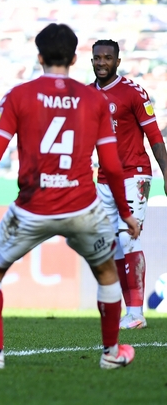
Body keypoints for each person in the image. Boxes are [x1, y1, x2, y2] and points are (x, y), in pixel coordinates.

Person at [0, 24, 140, 370]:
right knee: (106, 274)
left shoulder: (19, 95)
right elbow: (112, 166)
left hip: (32, 206)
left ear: (39, 57)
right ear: (76, 58)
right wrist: (126, 213)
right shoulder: (95, 100)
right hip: (83, 206)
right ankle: (111, 353)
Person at [90, 39, 167, 330]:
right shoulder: (87, 95)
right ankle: (129, 311)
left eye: (107, 58)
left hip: (135, 173)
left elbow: (155, 137)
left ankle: (136, 313)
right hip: (105, 179)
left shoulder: (133, 92)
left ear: (117, 62)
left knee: (127, 238)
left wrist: (166, 173)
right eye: (97, 58)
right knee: (114, 247)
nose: (101, 63)